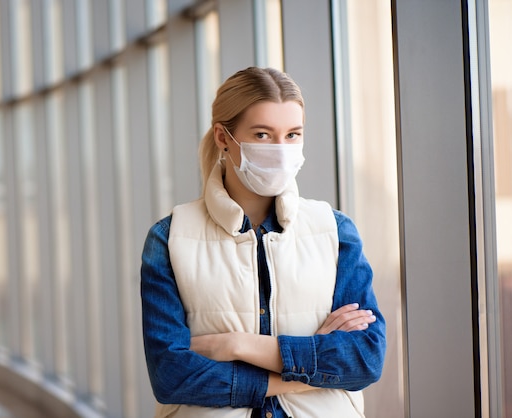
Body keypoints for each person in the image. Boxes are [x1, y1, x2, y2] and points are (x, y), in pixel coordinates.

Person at [140, 66, 386, 418]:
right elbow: (171, 376)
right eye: (262, 134)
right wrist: (311, 367)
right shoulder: (170, 238)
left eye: (292, 135)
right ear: (223, 137)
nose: (281, 150)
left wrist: (236, 345)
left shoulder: (335, 231)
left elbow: (365, 358)